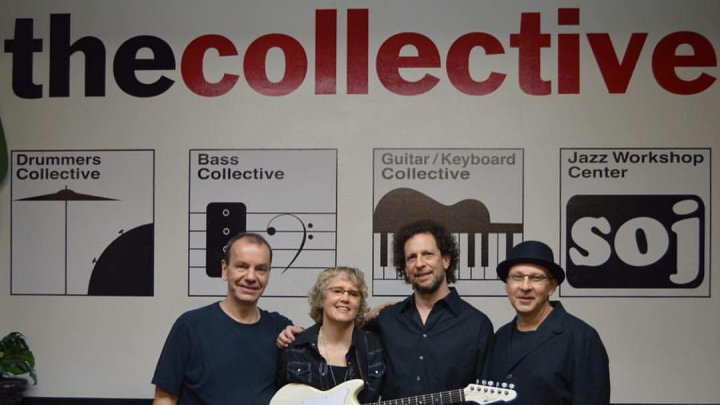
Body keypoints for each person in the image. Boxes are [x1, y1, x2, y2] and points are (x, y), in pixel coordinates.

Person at [279, 220, 494, 400]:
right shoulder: (387, 320)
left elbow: (486, 394)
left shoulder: (476, 325)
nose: (419, 263)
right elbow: (337, 332)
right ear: (404, 267)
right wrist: (294, 334)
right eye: (411, 257)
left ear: (446, 260)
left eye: (427, 254)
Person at [152, 233, 292, 405]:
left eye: (260, 269)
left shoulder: (281, 330)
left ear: (268, 274)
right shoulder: (190, 326)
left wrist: (303, 340)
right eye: (241, 266)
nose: (250, 277)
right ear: (225, 270)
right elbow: (165, 398)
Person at [485, 240, 610, 405]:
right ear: (507, 286)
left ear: (551, 287)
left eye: (536, 278)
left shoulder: (582, 338)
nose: (525, 286)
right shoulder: (499, 337)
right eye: (517, 277)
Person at [277, 267, 384, 403]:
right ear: (322, 297)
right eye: (337, 291)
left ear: (359, 304)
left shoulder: (374, 348)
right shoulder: (296, 348)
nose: (345, 298)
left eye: (353, 294)